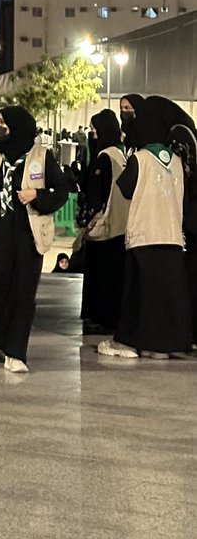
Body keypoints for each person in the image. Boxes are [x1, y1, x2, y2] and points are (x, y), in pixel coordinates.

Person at [0, 107, 68, 372]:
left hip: (28, 238)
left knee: (22, 295)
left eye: (3, 123)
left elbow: (62, 190)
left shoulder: (42, 157)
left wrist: (37, 196)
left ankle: (16, 351)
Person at [98, 97, 193, 359]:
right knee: (166, 295)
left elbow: (126, 189)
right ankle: (161, 345)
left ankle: (130, 341)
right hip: (172, 237)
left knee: (140, 294)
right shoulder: (175, 160)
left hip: (144, 234)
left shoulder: (140, 158)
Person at [78, 110, 129, 335]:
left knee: (100, 274)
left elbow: (97, 192)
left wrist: (88, 217)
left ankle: (99, 316)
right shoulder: (122, 153)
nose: (91, 133)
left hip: (104, 223)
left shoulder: (105, 156)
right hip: (121, 224)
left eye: (94, 129)